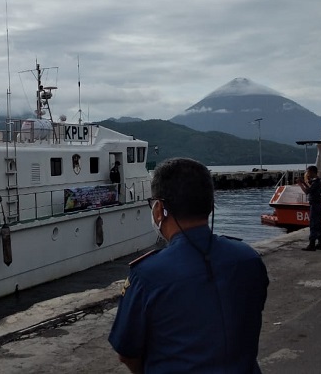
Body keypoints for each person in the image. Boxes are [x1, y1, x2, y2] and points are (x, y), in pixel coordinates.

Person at [109, 157, 268, 373]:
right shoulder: (248, 258)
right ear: (210, 207)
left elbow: (127, 353)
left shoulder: (147, 275)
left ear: (159, 210)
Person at [298, 165, 321, 251]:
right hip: (318, 204)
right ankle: (320, 243)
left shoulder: (316, 182)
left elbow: (307, 191)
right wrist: (304, 182)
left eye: (308, 172)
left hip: (315, 204)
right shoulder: (317, 181)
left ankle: (312, 244)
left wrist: (300, 184)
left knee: (313, 224)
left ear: (312, 172)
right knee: (319, 224)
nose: (307, 174)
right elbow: (310, 188)